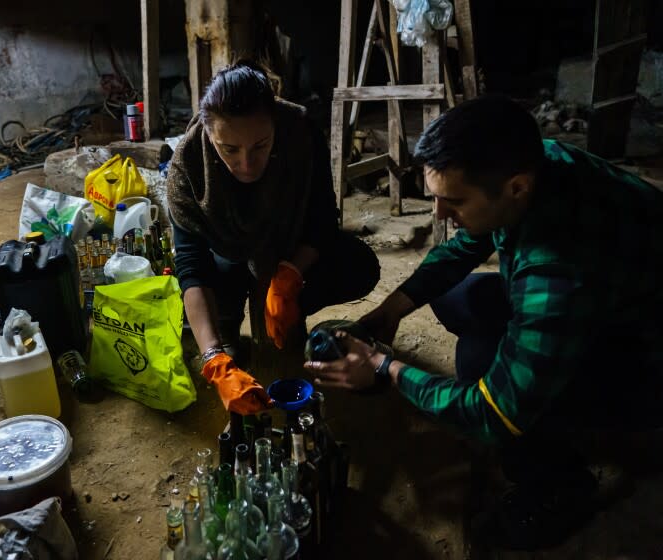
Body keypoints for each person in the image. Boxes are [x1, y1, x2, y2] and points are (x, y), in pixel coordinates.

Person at [304, 95, 663, 550]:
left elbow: (495, 413)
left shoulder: (556, 268)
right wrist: (389, 311)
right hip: (613, 299)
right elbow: (464, 247)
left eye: (452, 201)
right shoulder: (539, 161)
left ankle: (562, 487)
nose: (438, 215)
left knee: (479, 362)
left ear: (516, 187)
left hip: (646, 362)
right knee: (460, 296)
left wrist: (382, 368)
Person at [167, 60, 380, 415]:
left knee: (358, 265)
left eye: (260, 145)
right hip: (228, 260)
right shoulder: (188, 163)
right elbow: (191, 263)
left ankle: (284, 307)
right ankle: (227, 327)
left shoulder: (300, 134)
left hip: (285, 250)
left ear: (275, 125)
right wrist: (213, 358)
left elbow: (322, 220)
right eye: (229, 150)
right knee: (214, 288)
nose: (247, 165)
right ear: (209, 134)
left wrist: (290, 277)